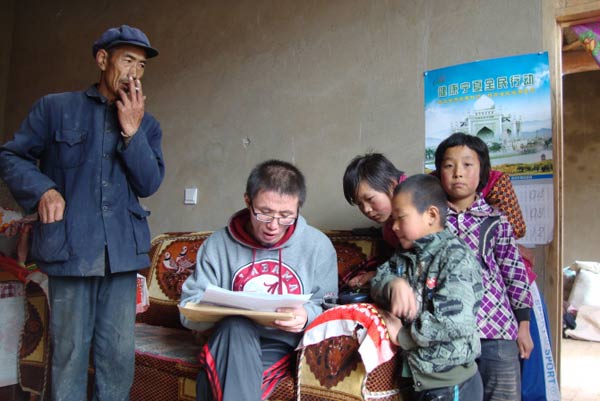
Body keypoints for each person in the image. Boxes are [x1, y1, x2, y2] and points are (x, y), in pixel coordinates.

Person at [0, 24, 164, 400]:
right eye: (128, 61)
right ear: (102, 59)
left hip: (121, 254)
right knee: (71, 352)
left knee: (118, 355)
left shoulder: (147, 124)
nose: (135, 73)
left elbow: (149, 183)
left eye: (141, 66)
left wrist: (132, 132)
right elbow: (11, 155)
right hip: (71, 248)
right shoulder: (55, 108)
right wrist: (44, 189)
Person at [180, 159, 338, 401]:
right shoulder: (218, 245)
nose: (274, 226)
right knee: (236, 325)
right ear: (247, 201)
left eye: (286, 216)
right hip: (227, 339)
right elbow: (187, 310)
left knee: (211, 378)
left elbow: (330, 309)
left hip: (282, 344)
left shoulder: (317, 246)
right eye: (264, 213)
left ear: (298, 209)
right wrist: (221, 308)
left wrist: (306, 315)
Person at [434, 132, 533, 401]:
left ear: (483, 173)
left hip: (497, 329)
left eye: (468, 165)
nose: (458, 173)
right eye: (449, 165)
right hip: (449, 332)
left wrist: (523, 326)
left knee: (502, 395)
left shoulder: (496, 220)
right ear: (439, 172)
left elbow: (515, 273)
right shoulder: (431, 220)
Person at [370, 174, 484, 401]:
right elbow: (377, 280)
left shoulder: (455, 257)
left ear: (431, 215)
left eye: (400, 218)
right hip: (419, 380)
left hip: (450, 385)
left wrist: (403, 336)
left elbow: (455, 322)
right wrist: (393, 284)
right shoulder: (405, 255)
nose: (394, 226)